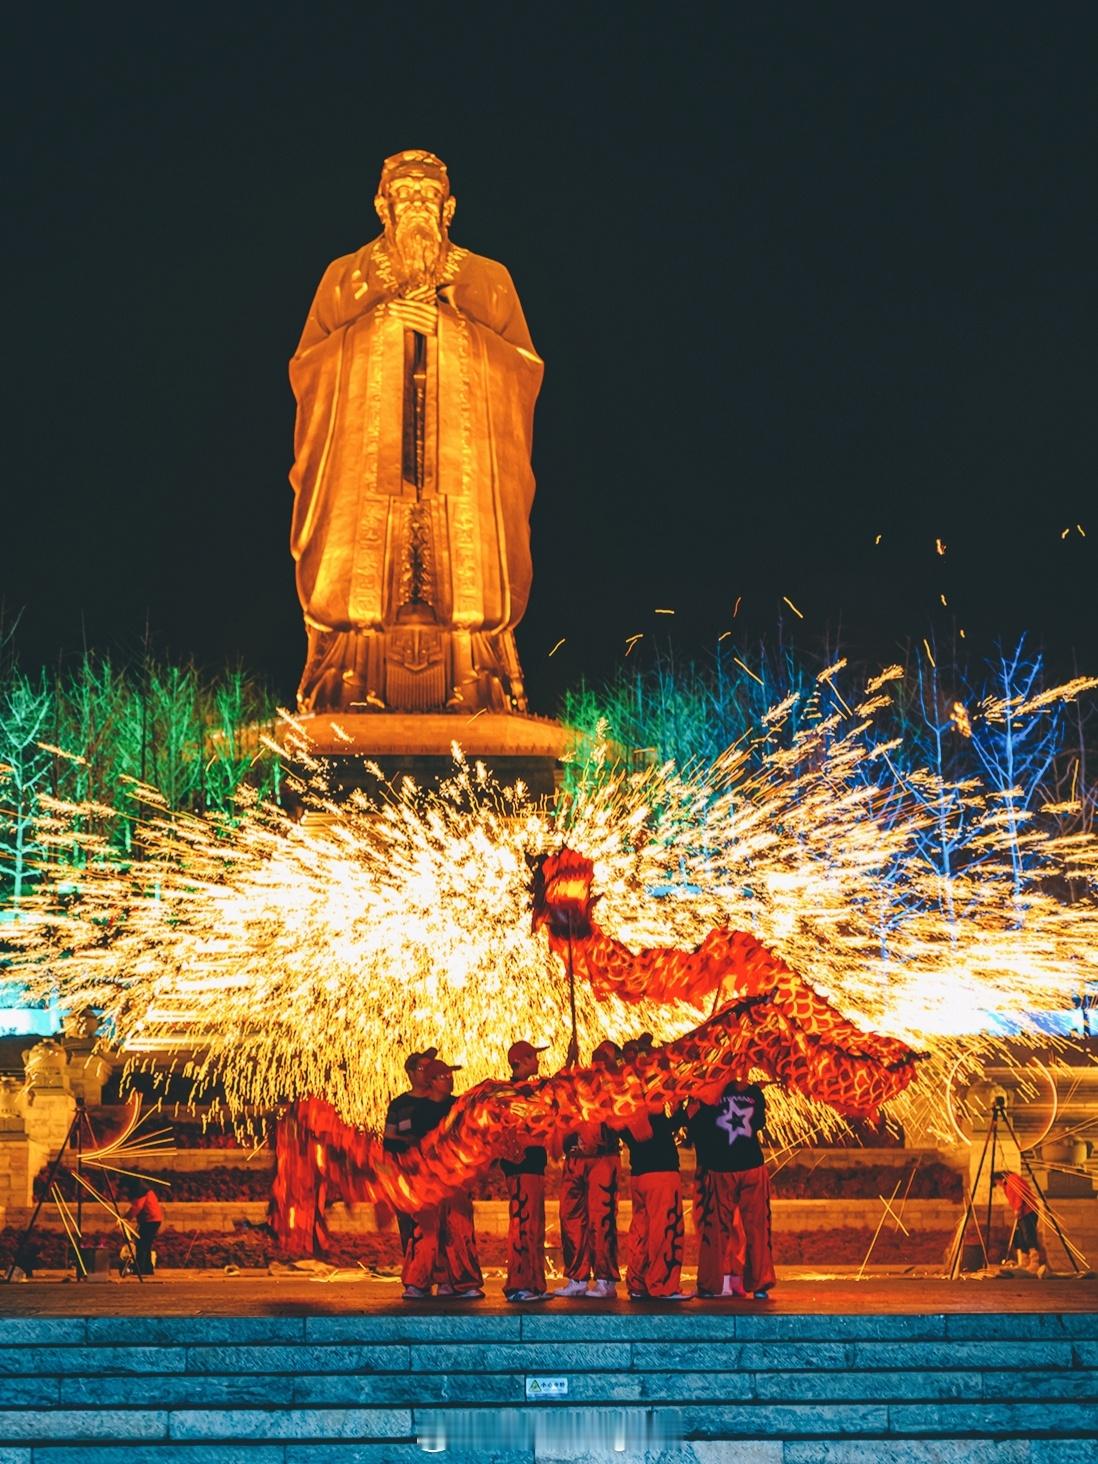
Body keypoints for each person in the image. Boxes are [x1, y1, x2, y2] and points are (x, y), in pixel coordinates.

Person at [289, 149, 543, 714]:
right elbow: (307, 370)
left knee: (468, 576)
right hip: (370, 480)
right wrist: (377, 329)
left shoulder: (487, 279)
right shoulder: (346, 279)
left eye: (428, 197)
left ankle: (476, 674)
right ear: (383, 206)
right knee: (359, 571)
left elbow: (524, 372)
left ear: (449, 208)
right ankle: (351, 672)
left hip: (459, 485)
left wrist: (453, 334)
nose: (417, 208)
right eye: (405, 197)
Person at [402, 1058, 485, 1300]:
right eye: (443, 1076)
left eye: (450, 1075)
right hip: (429, 1180)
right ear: (431, 1081)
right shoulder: (418, 1110)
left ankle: (462, 1281)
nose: (449, 1079)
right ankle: (418, 1282)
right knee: (426, 1231)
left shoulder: (459, 1106)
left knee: (459, 1229)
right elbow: (411, 1144)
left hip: (456, 1179)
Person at [688, 1078, 776, 1300]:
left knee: (756, 1225)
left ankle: (759, 1282)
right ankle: (712, 1283)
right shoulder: (713, 1089)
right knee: (716, 1228)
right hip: (722, 1168)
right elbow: (699, 1124)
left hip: (749, 1166)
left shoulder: (752, 1092)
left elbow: (758, 1122)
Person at [619, 1037, 692, 1301]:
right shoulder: (651, 1091)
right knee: (666, 1229)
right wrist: (681, 1113)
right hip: (661, 1173)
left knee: (642, 1230)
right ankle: (662, 1285)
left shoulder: (624, 1096)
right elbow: (658, 1131)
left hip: (639, 1174)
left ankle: (638, 1283)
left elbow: (641, 1135)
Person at [555, 1040, 622, 1300]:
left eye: (605, 1056)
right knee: (571, 1219)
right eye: (597, 1055)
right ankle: (577, 1277)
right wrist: (569, 1062)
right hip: (575, 1160)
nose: (598, 1059)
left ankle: (605, 1280)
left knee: (601, 1220)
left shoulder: (617, 1086)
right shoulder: (579, 1083)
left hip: (602, 1160)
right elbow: (558, 1092)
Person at [500, 1040, 552, 1303]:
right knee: (523, 1225)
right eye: (533, 1057)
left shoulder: (528, 1091)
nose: (538, 1061)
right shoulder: (511, 1094)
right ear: (520, 1061)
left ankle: (532, 1284)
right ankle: (519, 1284)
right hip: (521, 1169)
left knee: (533, 1226)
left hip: (532, 1168)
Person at [383, 1047, 438, 1254]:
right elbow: (389, 1138)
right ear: (411, 1073)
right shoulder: (400, 1105)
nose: (427, 1073)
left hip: (435, 1174)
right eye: (422, 1068)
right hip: (407, 1174)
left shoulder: (438, 1101)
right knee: (409, 1225)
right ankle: (413, 1270)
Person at [993, 1170, 1048, 1276]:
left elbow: (1019, 1194)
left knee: (1029, 1235)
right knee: (1021, 1237)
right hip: (1022, 1213)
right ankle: (1024, 1261)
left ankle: (1034, 1261)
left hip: (1028, 1211)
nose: (998, 1185)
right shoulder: (1008, 1182)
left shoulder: (1013, 1180)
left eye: (997, 1183)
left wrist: (1017, 1208)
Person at [122, 1176, 164, 1277]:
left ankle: (140, 1268)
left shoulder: (141, 1193)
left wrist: (126, 1218)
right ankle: (147, 1268)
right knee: (146, 1244)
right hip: (153, 1219)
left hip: (150, 1220)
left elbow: (137, 1207)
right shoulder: (145, 1191)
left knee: (141, 1244)